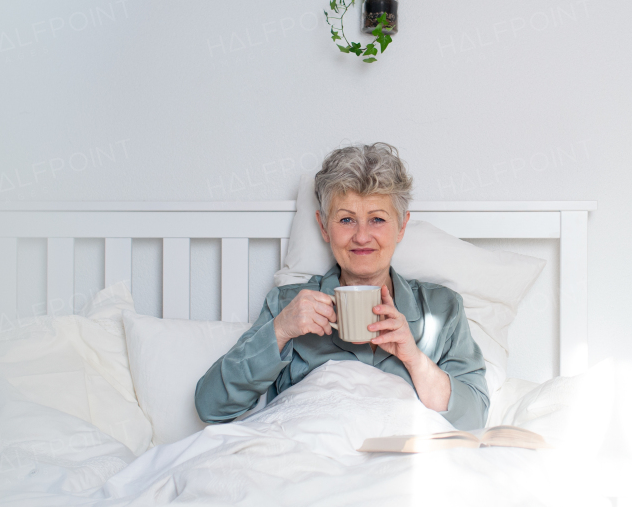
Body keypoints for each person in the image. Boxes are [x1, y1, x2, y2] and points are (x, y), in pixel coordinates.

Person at [195, 143, 489, 429]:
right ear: (324, 227)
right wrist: (281, 330)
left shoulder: (442, 308)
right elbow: (211, 407)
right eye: (347, 219)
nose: (362, 237)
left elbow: (474, 418)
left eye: (377, 219)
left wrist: (414, 358)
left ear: (401, 227)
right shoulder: (288, 305)